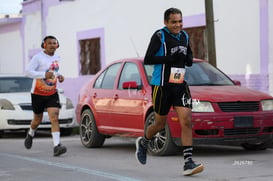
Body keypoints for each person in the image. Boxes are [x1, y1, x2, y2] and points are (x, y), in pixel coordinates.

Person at [135, 8, 204, 176]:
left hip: (179, 85)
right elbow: (148, 59)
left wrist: (188, 59)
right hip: (161, 85)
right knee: (159, 124)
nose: (178, 25)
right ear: (166, 22)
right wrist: (169, 59)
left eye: (180, 21)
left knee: (186, 120)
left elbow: (188, 56)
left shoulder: (184, 36)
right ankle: (144, 142)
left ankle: (188, 162)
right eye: (174, 22)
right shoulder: (160, 36)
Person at [24, 35, 67, 157]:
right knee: (37, 120)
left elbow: (54, 71)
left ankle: (56, 146)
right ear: (44, 45)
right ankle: (31, 133)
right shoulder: (38, 58)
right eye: (50, 43)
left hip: (52, 93)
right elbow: (27, 72)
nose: (52, 45)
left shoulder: (57, 57)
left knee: (54, 117)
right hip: (38, 93)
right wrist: (44, 74)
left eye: (54, 43)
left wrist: (59, 76)